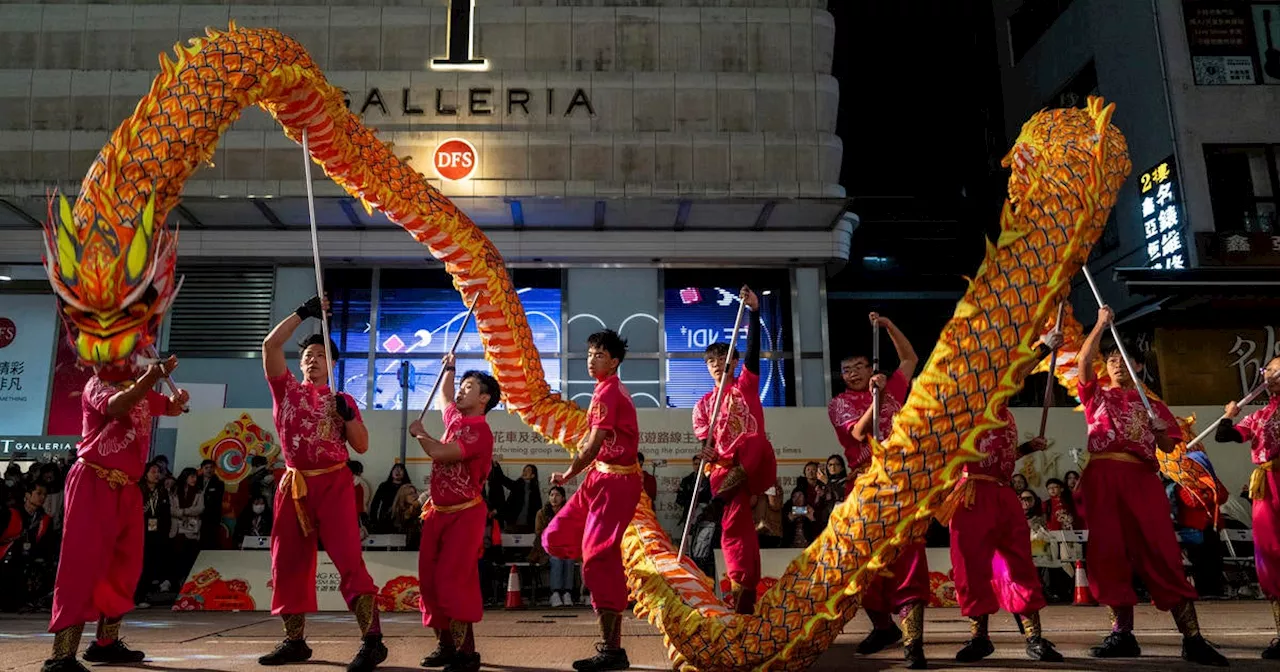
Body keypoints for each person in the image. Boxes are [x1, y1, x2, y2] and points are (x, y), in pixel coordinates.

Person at [1075, 306, 1224, 665]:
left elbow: (1171, 446)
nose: (1115, 364)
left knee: (1161, 552)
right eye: (1111, 360)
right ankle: (1121, 634)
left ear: (1138, 366)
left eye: (1123, 360)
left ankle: (1193, 638)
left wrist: (1161, 435)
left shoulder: (1153, 405)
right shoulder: (1097, 395)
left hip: (1141, 480)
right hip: (1102, 479)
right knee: (1107, 554)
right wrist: (1098, 325)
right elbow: (1083, 363)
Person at [257, 295, 384, 671]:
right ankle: (294, 641)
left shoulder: (342, 399)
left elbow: (361, 444)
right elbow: (270, 345)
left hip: (334, 484)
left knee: (348, 558)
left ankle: (372, 640)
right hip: (295, 486)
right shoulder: (286, 390)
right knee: (287, 562)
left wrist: (347, 418)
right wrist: (302, 313)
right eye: (308, 355)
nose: (312, 359)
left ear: (332, 364)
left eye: (320, 355)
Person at [43, 353, 188, 672]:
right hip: (94, 480)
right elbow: (118, 406)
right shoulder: (97, 386)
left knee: (124, 566)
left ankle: (105, 643)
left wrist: (177, 400)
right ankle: (61, 654)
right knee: (81, 565)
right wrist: (153, 377)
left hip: (127, 488)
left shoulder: (141, 389)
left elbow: (169, 407)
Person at [937, 328, 1066, 664]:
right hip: (970, 495)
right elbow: (1011, 377)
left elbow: (997, 453)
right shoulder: (965, 405)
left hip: (1003, 493)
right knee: (970, 568)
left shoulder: (1003, 411)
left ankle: (1035, 638)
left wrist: (1025, 448)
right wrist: (1041, 349)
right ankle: (979, 637)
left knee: (1019, 564)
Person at [543, 329, 642, 672]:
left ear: (614, 362)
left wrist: (569, 474)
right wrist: (576, 473)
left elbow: (593, 442)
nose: (591, 359)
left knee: (598, 560)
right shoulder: (601, 390)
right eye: (589, 354)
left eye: (599, 355)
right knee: (554, 536)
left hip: (617, 481)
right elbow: (589, 435)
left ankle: (613, 649)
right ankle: (602, 566)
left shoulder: (610, 391)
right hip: (599, 476)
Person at [835, 314, 929, 669]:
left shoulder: (895, 389)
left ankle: (913, 641)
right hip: (864, 486)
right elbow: (859, 434)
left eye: (860, 366)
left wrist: (889, 327)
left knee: (909, 557)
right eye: (847, 369)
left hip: (902, 483)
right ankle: (883, 627)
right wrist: (877, 397)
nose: (854, 373)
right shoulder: (839, 404)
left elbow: (910, 359)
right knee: (866, 563)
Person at [409, 353, 500, 672]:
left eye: (470, 387)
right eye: (463, 385)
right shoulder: (457, 420)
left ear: (485, 398)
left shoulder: (480, 432)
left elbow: (441, 453)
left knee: (453, 580)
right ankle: (445, 646)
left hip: (465, 515)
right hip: (437, 513)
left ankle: (467, 652)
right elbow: (445, 396)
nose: (462, 391)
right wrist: (450, 367)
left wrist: (420, 434)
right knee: (430, 582)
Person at [694, 286, 778, 615]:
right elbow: (707, 445)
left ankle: (717, 502)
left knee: (755, 440)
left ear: (734, 363)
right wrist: (703, 454)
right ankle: (744, 595)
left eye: (722, 360)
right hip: (724, 470)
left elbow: (755, 351)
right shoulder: (703, 405)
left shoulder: (746, 385)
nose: (717, 365)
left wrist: (755, 312)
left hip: (753, 462)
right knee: (738, 531)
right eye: (711, 361)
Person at [1217, 354, 1280, 658]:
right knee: (1271, 555)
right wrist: (1230, 413)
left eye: (1277, 369)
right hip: (1268, 487)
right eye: (1270, 369)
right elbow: (1223, 435)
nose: (1271, 373)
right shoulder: (1259, 416)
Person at [136, 461, 171, 605]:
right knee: (138, 565)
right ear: (145, 474)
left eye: (158, 472)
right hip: (139, 533)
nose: (157, 475)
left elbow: (166, 514)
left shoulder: (162, 491)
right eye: (153, 472)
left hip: (156, 534)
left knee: (150, 565)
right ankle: (135, 596)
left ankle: (143, 594)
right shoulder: (138, 490)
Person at [534, 486, 575, 607]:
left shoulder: (568, 512)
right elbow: (539, 532)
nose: (554, 498)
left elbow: (572, 531)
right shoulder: (542, 513)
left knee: (569, 560)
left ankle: (567, 593)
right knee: (556, 560)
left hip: (565, 546)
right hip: (548, 547)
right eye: (552, 495)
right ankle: (555, 593)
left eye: (557, 495)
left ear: (563, 498)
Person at [169, 468, 205, 590]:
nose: (194, 479)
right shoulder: (174, 491)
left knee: (190, 556)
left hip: (191, 528)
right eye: (191, 477)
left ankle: (188, 583)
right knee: (176, 556)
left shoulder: (199, 492)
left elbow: (200, 508)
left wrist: (184, 511)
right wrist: (181, 513)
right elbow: (171, 509)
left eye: (195, 477)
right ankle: (175, 583)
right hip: (177, 528)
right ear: (185, 477)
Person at [495, 464, 542, 534]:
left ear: (533, 475)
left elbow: (538, 508)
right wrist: (496, 465)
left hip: (528, 527)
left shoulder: (535, 491)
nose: (525, 472)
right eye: (524, 470)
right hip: (513, 525)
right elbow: (503, 479)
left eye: (528, 470)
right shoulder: (517, 485)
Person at [370, 464, 410, 533]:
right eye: (395, 469)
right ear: (392, 472)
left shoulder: (408, 487)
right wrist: (374, 521)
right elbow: (375, 504)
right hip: (385, 520)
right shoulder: (384, 486)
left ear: (404, 473)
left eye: (400, 469)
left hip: (402, 521)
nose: (397, 471)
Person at [198, 459, 225, 550]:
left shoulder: (219, 484)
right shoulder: (195, 482)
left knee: (210, 542)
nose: (209, 470)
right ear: (202, 469)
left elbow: (217, 502)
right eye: (206, 468)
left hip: (211, 517)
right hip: (195, 516)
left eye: (211, 467)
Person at [753, 480, 783, 549]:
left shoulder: (776, 486)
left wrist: (771, 488)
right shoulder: (752, 486)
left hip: (772, 531)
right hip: (756, 529)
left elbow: (775, 505)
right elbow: (751, 503)